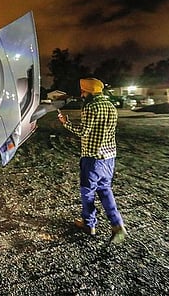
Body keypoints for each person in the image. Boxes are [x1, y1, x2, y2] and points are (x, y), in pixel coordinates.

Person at [58, 77, 127, 244]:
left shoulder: (90, 106)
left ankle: (89, 225)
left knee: (87, 192)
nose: (82, 94)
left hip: (93, 158)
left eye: (83, 91)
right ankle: (117, 225)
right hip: (109, 157)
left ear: (88, 92)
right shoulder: (111, 106)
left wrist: (66, 123)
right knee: (105, 189)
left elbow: (84, 131)